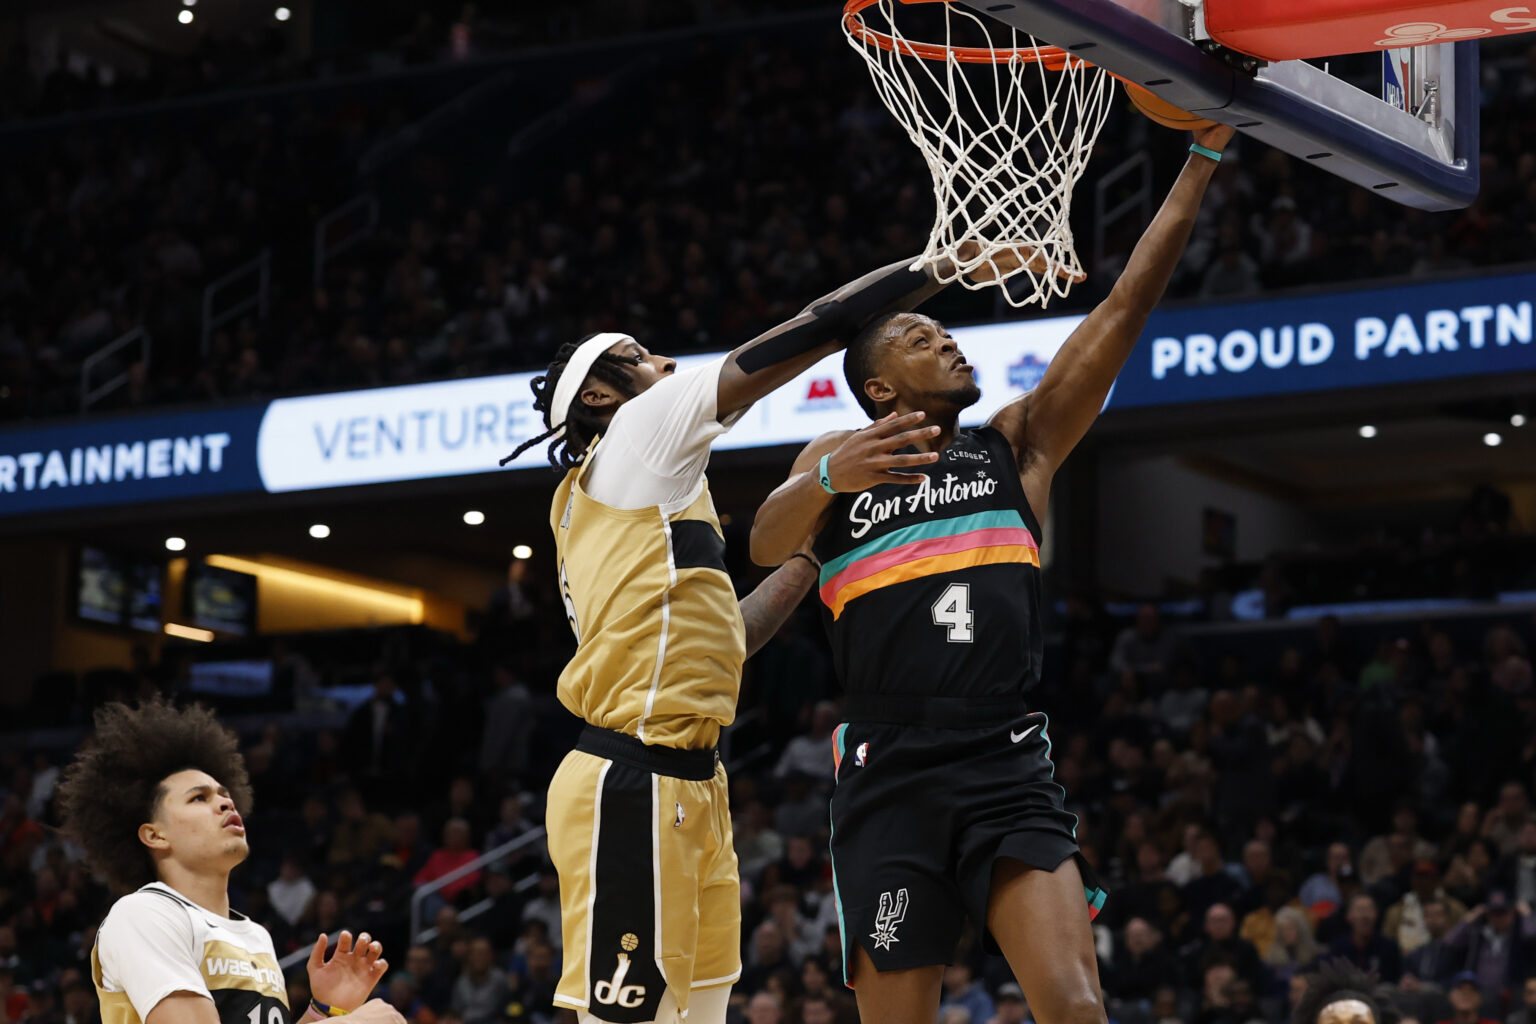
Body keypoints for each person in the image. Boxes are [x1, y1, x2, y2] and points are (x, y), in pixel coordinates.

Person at [748, 122, 1236, 1023]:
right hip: (887, 767)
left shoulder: (1018, 444)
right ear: (880, 388)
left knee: (1077, 1005)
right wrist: (825, 477)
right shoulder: (840, 456)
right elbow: (765, 544)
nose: (950, 342)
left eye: (945, 331)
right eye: (922, 336)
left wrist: (1201, 160)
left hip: (1003, 757)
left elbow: (1124, 307)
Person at [505, 239, 1028, 1024]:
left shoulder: (643, 499)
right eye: (637, 357)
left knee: (702, 1012)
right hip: (632, 780)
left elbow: (729, 637)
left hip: (691, 781)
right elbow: (812, 327)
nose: (666, 363)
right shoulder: (636, 435)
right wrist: (939, 267)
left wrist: (817, 551)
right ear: (599, 401)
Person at [55, 698, 404, 1024]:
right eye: (198, 798)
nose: (225, 804)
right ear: (155, 835)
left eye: (225, 794)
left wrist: (323, 1011)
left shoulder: (255, 935)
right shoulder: (144, 914)